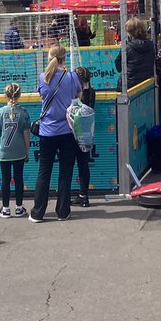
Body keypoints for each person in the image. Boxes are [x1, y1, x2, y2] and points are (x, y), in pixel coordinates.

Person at [30, 45, 83, 222]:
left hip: (47, 131)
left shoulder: (43, 77)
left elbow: (42, 97)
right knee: (65, 171)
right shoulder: (72, 76)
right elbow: (79, 98)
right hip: (67, 130)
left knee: (44, 171)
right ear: (64, 57)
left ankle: (38, 212)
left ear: (50, 57)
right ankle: (63, 211)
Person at [0, 83, 31, 218]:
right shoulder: (23, 112)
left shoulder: (0, 112)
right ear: (19, 95)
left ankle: (6, 209)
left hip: (4, 151)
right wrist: (27, 151)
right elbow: (26, 133)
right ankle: (19, 207)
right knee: (18, 178)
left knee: (5, 179)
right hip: (19, 150)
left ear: (5, 95)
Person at [70, 66, 96, 208]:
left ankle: (65, 196)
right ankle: (83, 196)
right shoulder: (91, 92)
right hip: (86, 134)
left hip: (72, 132)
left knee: (68, 165)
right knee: (83, 165)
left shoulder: (74, 93)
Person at [118, 17, 156, 91]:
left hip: (129, 85)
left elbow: (118, 66)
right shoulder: (151, 45)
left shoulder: (127, 47)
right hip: (146, 84)